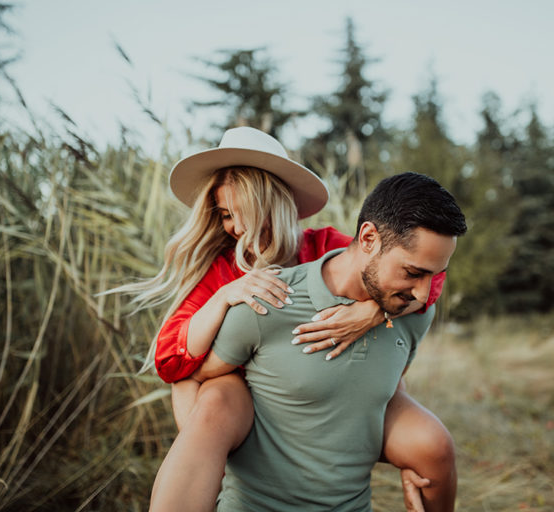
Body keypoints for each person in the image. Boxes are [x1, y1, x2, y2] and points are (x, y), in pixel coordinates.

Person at [116, 127, 456, 511]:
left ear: (277, 205)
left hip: (323, 391)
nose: (237, 228)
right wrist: (225, 296)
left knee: (425, 433)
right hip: (241, 395)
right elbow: (171, 361)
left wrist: (371, 310)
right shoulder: (225, 271)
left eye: (245, 213)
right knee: (209, 396)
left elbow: (408, 269)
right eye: (226, 215)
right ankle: (218, 483)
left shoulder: (324, 247)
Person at [190, 171, 467, 511]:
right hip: (255, 487)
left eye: (434, 275)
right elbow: (191, 370)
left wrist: (411, 456)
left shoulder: (411, 311)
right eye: (412, 273)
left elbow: (389, 386)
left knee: (433, 443)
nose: (423, 294)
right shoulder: (261, 298)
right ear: (368, 239)